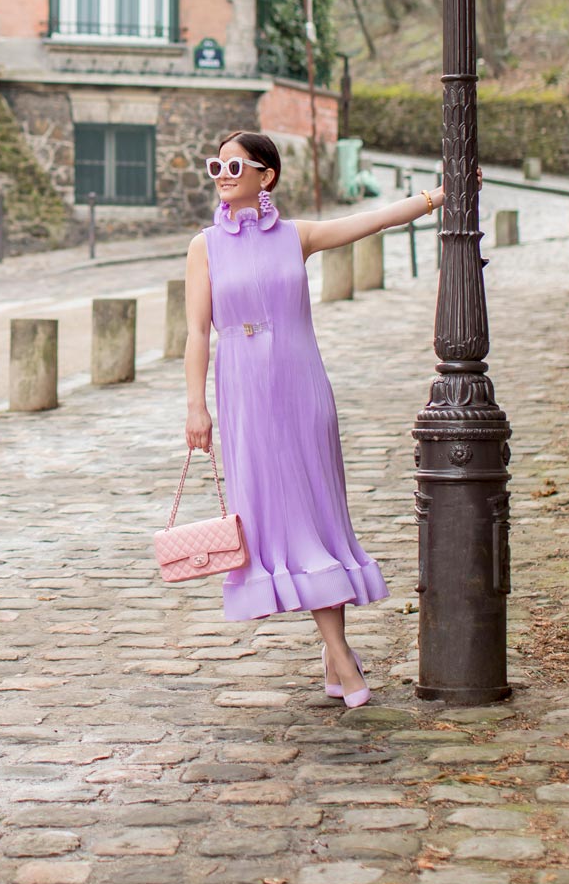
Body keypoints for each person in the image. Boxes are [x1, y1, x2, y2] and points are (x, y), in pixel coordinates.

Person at [182, 130, 445, 707]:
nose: (222, 174)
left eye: (233, 165)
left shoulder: (297, 237)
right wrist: (196, 406)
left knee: (317, 520)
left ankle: (336, 653)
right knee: (281, 524)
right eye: (215, 166)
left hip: (303, 388)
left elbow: (372, 221)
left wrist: (436, 198)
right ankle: (342, 658)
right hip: (245, 397)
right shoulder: (205, 246)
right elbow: (196, 332)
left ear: (265, 175)